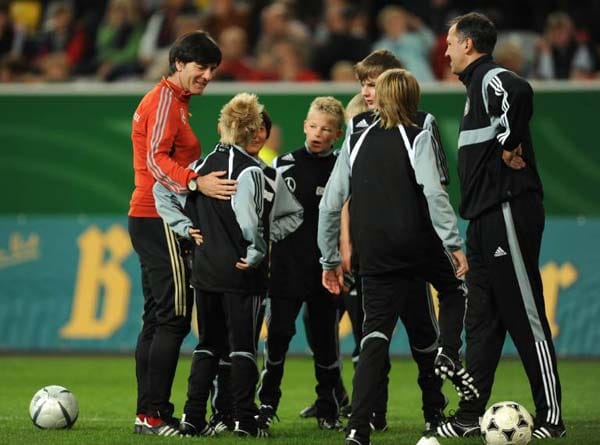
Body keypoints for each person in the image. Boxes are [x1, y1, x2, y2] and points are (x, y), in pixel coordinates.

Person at [318, 68, 472, 445]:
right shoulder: (421, 126)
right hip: (417, 242)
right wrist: (453, 244)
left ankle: (357, 427)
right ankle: (448, 357)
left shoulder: (356, 130)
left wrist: (328, 258)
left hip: (375, 249)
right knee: (455, 292)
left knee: (374, 335)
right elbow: (434, 192)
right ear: (413, 96)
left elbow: (330, 202)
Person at [436, 12, 565, 440]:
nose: (446, 50)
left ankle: (551, 418)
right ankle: (470, 415)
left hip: (507, 208)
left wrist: (510, 142)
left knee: (525, 315)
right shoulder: (475, 88)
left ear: (469, 44)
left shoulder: (492, 78)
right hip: (482, 218)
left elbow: (518, 89)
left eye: (451, 42)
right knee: (482, 321)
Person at [155, 92, 302, 438]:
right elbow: (253, 219)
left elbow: (161, 192)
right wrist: (258, 247)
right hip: (241, 269)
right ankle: (245, 421)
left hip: (204, 268)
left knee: (207, 343)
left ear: (222, 126)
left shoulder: (201, 168)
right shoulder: (254, 171)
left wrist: (184, 228)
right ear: (252, 130)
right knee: (242, 347)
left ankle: (193, 418)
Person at [128, 30, 234, 436]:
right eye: (200, 66)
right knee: (172, 317)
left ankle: (147, 414)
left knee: (156, 319)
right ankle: (155, 414)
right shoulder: (165, 102)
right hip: (160, 217)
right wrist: (195, 182)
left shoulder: (174, 102)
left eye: (212, 69)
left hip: (151, 214)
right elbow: (155, 161)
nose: (206, 74)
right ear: (178, 64)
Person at [256, 96, 346, 432]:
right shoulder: (283, 165)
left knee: (325, 342)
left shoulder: (342, 168)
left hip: (324, 271)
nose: (318, 133)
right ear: (304, 126)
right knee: (277, 339)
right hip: (286, 270)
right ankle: (267, 405)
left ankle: (328, 407)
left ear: (337, 134)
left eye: (327, 129)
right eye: (314, 126)